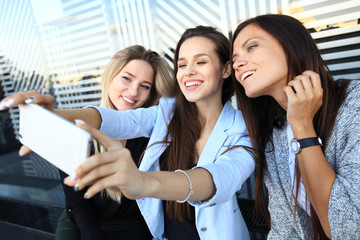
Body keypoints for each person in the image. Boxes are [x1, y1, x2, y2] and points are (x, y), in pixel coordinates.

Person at [0, 26, 255, 239]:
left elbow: (222, 178)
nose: (188, 71)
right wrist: (55, 116)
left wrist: (145, 183)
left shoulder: (242, 128)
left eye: (201, 62)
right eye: (181, 64)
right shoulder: (166, 113)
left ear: (225, 69)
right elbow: (120, 120)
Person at [231, 14, 360, 239]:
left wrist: (302, 126)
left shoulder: (354, 103)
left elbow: (347, 231)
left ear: (291, 44)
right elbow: (283, 229)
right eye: (234, 59)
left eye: (251, 47)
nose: (238, 64)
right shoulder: (276, 133)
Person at [55, 45, 175, 240]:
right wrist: (92, 234)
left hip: (130, 222)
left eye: (145, 86)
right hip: (81, 216)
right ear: (111, 77)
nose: (134, 91)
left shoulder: (153, 135)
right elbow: (75, 198)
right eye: (127, 78)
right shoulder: (78, 130)